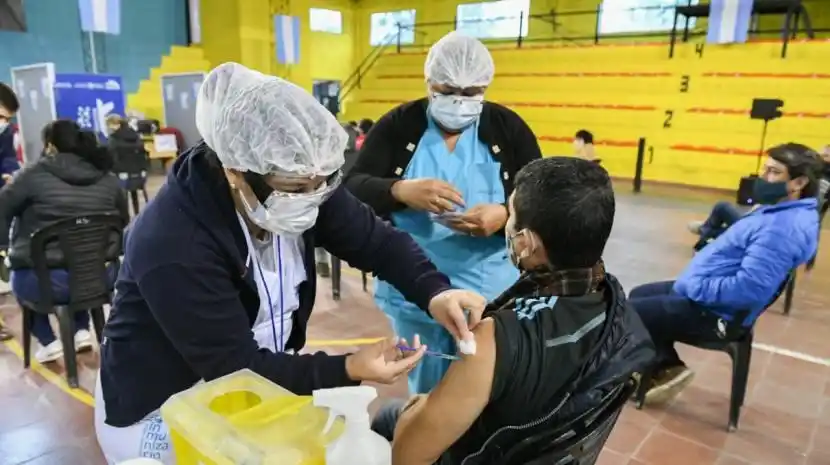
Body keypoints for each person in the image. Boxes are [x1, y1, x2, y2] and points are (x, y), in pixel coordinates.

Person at [95, 62, 487, 465]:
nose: (312, 198)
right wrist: (349, 367)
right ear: (235, 172)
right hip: (167, 403)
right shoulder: (174, 241)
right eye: (296, 188)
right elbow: (234, 367)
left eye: (322, 184)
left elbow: (378, 242)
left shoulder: (301, 177)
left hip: (255, 383)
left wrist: (436, 291)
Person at [370, 158, 654, 465]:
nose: (507, 224)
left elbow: (408, 456)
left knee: (388, 417)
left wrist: (417, 408)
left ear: (526, 243)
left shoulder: (495, 338)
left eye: (511, 216)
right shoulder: (621, 311)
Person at [346, 32, 542, 394]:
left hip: (488, 287)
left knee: (484, 383)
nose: (459, 102)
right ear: (429, 82)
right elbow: (353, 185)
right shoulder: (399, 126)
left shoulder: (506, 129)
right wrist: (399, 190)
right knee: (428, 385)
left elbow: (539, 195)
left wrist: (504, 213)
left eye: (471, 93)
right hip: (413, 285)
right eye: (448, 90)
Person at [630, 143, 820, 405]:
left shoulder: (782, 229)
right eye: (765, 169)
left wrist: (694, 287)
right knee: (639, 294)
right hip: (708, 294)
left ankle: (662, 367)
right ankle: (665, 366)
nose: (763, 177)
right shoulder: (781, 209)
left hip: (715, 313)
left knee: (630, 312)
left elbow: (748, 289)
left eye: (774, 172)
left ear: (799, 182)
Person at [0, 120, 128, 362]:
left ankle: (48, 341)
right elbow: (123, 222)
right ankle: (81, 331)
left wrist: (4, 249)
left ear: (50, 146)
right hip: (102, 278)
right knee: (80, 259)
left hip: (48, 283)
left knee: (20, 274)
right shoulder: (108, 178)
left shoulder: (31, 176)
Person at [0, 82, 20, 340]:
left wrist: (11, 172)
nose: (3, 123)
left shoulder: (5, 131)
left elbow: (7, 156)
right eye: (0, 116)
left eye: (7, 118)